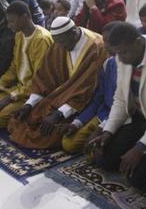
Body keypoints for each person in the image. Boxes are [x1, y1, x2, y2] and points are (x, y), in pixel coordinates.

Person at [87, 22, 146, 189]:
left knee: (139, 180)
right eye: (117, 54)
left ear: (138, 43)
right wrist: (108, 131)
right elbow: (121, 98)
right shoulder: (123, 54)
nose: (121, 59)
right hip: (139, 118)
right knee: (104, 159)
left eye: (123, 53)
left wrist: (141, 148)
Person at [7, 17, 107, 149]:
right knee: (21, 119)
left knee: (50, 134)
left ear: (73, 32)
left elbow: (86, 89)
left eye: (63, 43)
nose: (61, 48)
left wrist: (59, 114)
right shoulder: (60, 43)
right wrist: (29, 104)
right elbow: (44, 78)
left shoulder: (96, 47)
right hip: (58, 97)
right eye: (58, 43)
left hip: (81, 104)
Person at [0, 1, 53, 128]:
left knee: (0, 119)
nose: (9, 25)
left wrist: (10, 98)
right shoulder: (19, 35)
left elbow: (39, 79)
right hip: (18, 88)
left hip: (33, 92)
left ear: (25, 17)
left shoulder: (41, 39)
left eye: (12, 21)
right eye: (8, 22)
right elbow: (14, 67)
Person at [61, 55, 117, 155]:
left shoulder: (130, 68)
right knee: (68, 143)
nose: (106, 46)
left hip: (117, 120)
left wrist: (100, 129)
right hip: (102, 115)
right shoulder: (108, 63)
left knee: (95, 154)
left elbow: (124, 109)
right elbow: (98, 99)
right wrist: (77, 123)